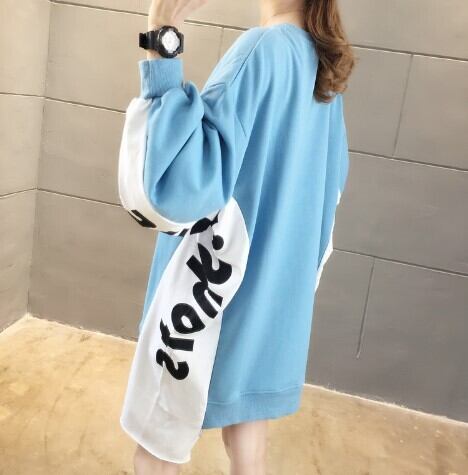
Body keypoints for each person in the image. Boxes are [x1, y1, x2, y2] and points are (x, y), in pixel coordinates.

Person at [117, 0, 355, 473]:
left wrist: (161, 37)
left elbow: (177, 185)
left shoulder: (262, 50)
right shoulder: (320, 63)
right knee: (248, 436)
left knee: (159, 436)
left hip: (209, 291)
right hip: (271, 296)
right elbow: (329, 191)